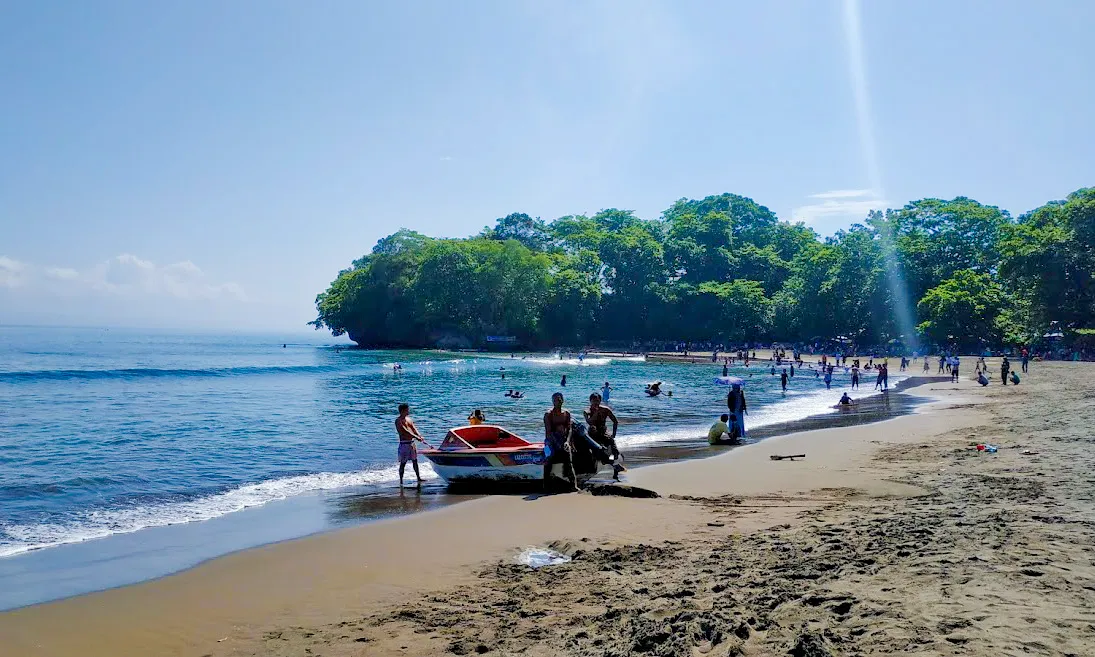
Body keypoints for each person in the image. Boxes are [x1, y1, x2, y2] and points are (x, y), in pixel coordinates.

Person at [543, 392, 577, 490]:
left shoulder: (566, 413)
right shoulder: (548, 414)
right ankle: (546, 486)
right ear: (552, 401)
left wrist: (568, 441)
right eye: (555, 400)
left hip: (563, 439)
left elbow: (569, 429)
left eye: (559, 399)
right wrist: (559, 445)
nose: (557, 402)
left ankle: (573, 485)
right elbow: (549, 432)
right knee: (548, 458)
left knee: (568, 458)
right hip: (550, 440)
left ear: (562, 400)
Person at [585, 393, 623, 480]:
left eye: (597, 400)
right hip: (593, 434)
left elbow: (615, 421)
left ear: (600, 400)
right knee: (598, 453)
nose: (596, 403)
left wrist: (614, 434)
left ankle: (615, 472)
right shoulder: (587, 411)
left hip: (603, 432)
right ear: (590, 401)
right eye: (593, 401)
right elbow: (589, 422)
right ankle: (595, 468)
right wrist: (595, 413)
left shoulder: (605, 410)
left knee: (615, 451)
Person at [395, 403, 426, 488]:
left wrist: (419, 436)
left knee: (415, 461)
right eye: (407, 410)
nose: (409, 411)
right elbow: (405, 431)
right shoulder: (398, 420)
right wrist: (416, 437)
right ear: (403, 411)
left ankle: (418, 478)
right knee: (403, 463)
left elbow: (414, 428)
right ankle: (401, 481)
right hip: (404, 444)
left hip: (411, 443)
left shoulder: (409, 419)